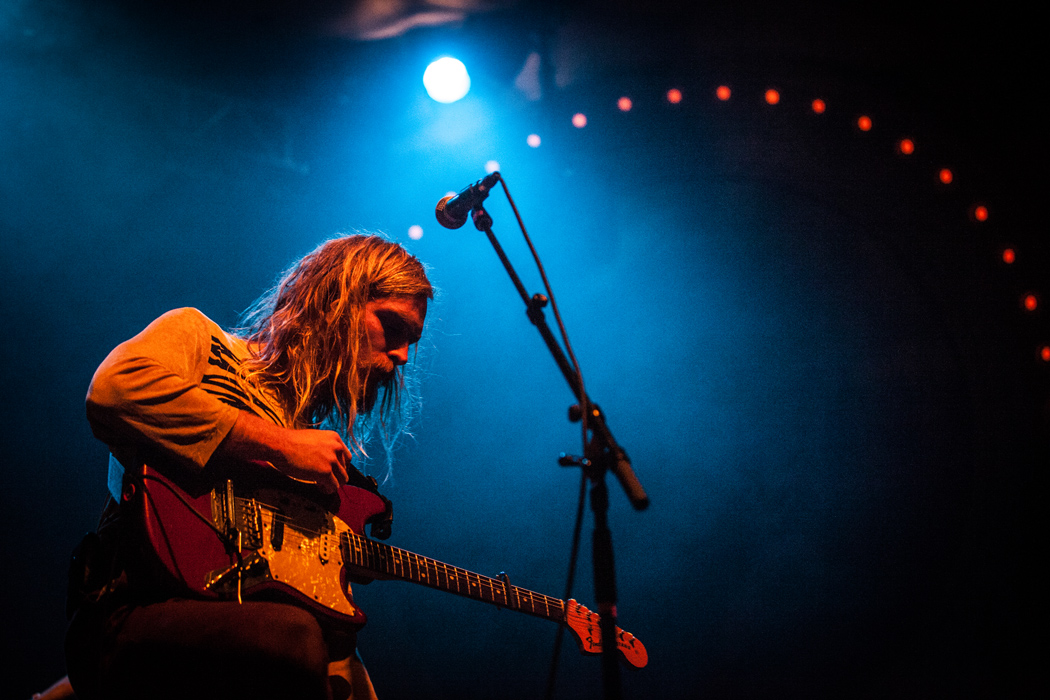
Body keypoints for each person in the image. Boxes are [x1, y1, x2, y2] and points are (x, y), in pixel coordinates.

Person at [65, 234, 432, 700]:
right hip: (130, 612)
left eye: (411, 342)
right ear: (337, 302)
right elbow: (114, 390)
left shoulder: (315, 454)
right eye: (392, 327)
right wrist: (281, 444)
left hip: (236, 626)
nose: (401, 356)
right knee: (292, 639)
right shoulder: (203, 340)